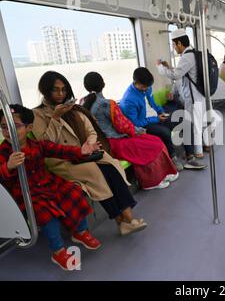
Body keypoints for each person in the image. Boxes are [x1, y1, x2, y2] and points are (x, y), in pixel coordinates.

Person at [32, 71, 147, 237]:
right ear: (45, 91)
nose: (61, 94)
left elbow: (90, 130)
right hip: (63, 160)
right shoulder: (38, 115)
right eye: (55, 90)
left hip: (87, 154)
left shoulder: (73, 108)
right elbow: (44, 143)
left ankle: (126, 219)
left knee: (112, 169)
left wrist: (90, 143)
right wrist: (55, 119)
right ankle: (123, 220)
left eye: (64, 90)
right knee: (97, 174)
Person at [0, 104, 101, 271]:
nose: (8, 131)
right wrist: (9, 166)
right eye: (4, 127)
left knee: (73, 192)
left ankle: (80, 231)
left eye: (15, 126)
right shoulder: (3, 152)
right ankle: (58, 250)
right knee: (45, 212)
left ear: (29, 127)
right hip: (25, 192)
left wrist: (81, 152)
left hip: (48, 183)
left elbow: (60, 150)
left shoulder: (38, 145)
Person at [81, 71, 179, 190]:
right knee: (154, 143)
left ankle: (162, 174)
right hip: (116, 141)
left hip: (106, 142)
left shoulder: (84, 103)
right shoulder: (107, 104)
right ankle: (152, 181)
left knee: (153, 139)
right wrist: (138, 131)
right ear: (103, 84)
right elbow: (123, 125)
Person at [120, 67, 206, 170]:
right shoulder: (128, 100)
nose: (147, 89)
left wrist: (161, 112)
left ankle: (190, 157)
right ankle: (173, 159)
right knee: (165, 132)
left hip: (157, 117)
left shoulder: (147, 88)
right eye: (144, 87)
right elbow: (136, 123)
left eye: (148, 86)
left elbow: (153, 104)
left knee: (184, 118)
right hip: (145, 125)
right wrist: (156, 119)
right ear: (136, 83)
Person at [156, 28, 212, 164]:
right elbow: (182, 72)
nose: (174, 48)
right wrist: (169, 67)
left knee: (195, 125)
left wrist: (160, 67)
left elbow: (176, 75)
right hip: (199, 95)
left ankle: (198, 152)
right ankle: (206, 144)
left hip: (194, 98)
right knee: (201, 122)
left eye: (174, 45)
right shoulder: (193, 54)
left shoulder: (187, 56)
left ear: (180, 43)